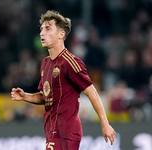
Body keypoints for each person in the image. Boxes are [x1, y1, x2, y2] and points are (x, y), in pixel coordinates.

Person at [11, 10, 116, 150]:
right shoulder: (45, 63)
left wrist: (105, 124)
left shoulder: (70, 62)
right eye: (42, 29)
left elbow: (92, 92)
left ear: (61, 34)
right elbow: (46, 96)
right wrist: (25, 96)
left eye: (48, 29)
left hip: (65, 132)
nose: (42, 33)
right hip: (52, 132)